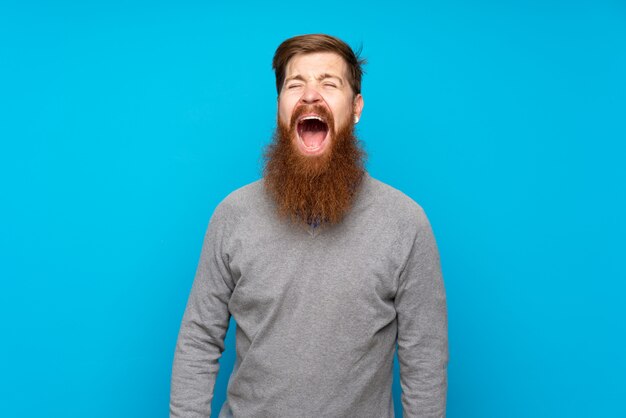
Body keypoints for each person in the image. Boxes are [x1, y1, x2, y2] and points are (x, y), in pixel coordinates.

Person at [170, 34, 448, 418]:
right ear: (280, 108)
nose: (310, 96)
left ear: (356, 108)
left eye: (329, 84)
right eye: (294, 84)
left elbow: (425, 358)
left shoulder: (405, 223)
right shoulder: (232, 215)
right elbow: (199, 341)